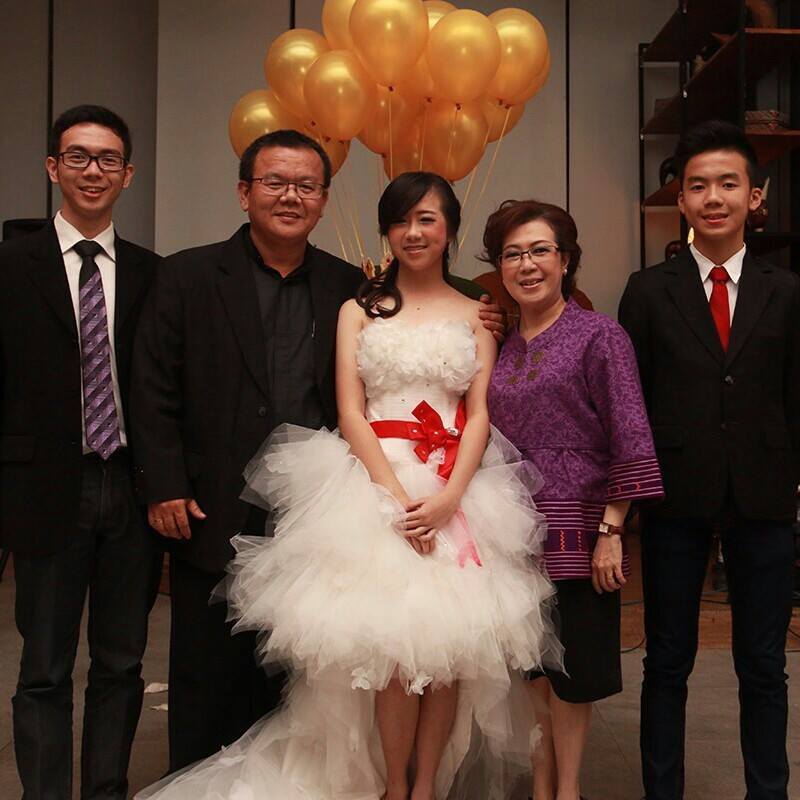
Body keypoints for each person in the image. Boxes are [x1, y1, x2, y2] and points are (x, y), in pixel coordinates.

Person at [134, 171, 561, 800]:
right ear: (386, 231)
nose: (413, 232)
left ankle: (425, 787)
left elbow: (479, 413)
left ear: (449, 230)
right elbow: (351, 410)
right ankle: (394, 786)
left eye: (427, 219)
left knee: (452, 652)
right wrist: (393, 495)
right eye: (401, 220)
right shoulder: (358, 309)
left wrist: (449, 497)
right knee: (389, 653)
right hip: (371, 485)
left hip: (457, 487)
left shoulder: (478, 314)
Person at [619, 120, 799, 800]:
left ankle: (768, 792)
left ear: (756, 196)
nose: (713, 197)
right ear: (681, 198)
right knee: (667, 662)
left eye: (728, 183)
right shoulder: (647, 290)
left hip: (765, 494)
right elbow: (632, 401)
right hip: (674, 494)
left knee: (764, 665)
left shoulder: (787, 290)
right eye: (698, 186)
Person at [0, 104, 162, 800]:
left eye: (107, 159)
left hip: (129, 485)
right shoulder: (11, 267)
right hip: (43, 489)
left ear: (128, 174)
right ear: (52, 168)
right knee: (43, 667)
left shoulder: (156, 275)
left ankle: (105, 791)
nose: (92, 170)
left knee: (122, 664)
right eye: (77, 156)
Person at [485, 200, 663, 800]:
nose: (526, 264)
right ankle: (541, 783)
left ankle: (567, 789)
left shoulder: (599, 335)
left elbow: (630, 430)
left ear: (565, 260)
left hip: (581, 529)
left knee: (574, 670)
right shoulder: (503, 343)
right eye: (512, 254)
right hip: (512, 528)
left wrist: (612, 530)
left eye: (540, 250)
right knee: (531, 665)